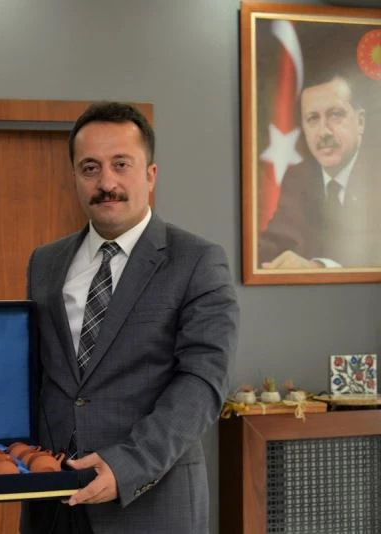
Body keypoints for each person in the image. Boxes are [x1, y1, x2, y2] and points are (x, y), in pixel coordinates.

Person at [21, 102, 238, 534]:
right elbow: (35, 376)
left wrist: (127, 466)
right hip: (52, 506)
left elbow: (203, 381)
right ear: (74, 177)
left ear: (150, 175)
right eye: (90, 168)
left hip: (149, 504)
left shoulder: (198, 261)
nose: (107, 183)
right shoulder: (45, 262)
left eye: (121, 164)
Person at [259, 72, 380, 268]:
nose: (323, 132)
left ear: (360, 122)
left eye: (336, 115)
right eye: (313, 118)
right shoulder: (299, 176)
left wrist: (320, 268)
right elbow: (277, 242)